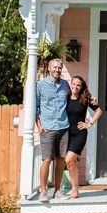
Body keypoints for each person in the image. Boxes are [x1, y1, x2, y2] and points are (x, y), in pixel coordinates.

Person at [35, 58, 70, 202]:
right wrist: (39, 125)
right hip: (48, 127)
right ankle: (43, 191)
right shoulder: (41, 85)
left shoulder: (65, 85)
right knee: (47, 160)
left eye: (59, 68)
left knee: (60, 160)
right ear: (49, 69)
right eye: (55, 67)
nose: (57, 70)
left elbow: (73, 100)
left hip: (63, 126)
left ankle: (57, 191)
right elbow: (36, 107)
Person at [65, 75, 102, 198]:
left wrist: (89, 123)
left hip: (79, 133)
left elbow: (99, 111)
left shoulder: (84, 99)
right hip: (66, 133)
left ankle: (75, 189)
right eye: (73, 84)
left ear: (81, 87)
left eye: (78, 85)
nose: (75, 86)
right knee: (70, 163)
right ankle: (73, 187)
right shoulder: (65, 97)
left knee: (69, 160)